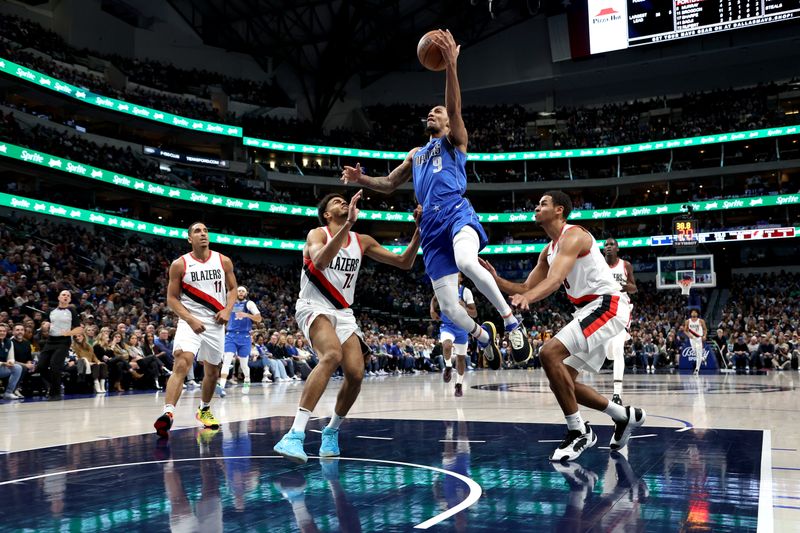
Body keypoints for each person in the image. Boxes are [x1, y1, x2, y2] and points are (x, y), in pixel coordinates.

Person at [340, 29, 531, 366]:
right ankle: (483, 337)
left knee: (467, 262)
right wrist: (361, 179)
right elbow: (387, 184)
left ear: (447, 122)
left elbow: (455, 108)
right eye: (430, 112)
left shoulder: (454, 141)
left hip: (457, 213)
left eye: (437, 111)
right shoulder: (416, 153)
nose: (432, 113)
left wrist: (451, 68)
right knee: (448, 308)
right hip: (429, 227)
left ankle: (511, 321)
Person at [480, 192, 646, 461]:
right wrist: (495, 279)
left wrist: (528, 298)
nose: (536, 206)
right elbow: (525, 287)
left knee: (548, 353)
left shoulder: (574, 235)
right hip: (589, 310)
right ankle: (624, 417)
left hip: (607, 305)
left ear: (559, 211)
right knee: (564, 382)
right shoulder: (549, 250)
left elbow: (554, 281)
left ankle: (578, 432)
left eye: (543, 203)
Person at [273, 191, 421, 463]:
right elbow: (319, 262)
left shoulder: (361, 241)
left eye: (345, 199)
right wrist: (348, 224)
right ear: (327, 214)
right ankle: (294, 434)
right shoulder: (317, 234)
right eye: (336, 202)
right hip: (313, 305)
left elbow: (404, 262)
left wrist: (419, 230)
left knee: (356, 374)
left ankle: (331, 431)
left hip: (343, 312)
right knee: (331, 355)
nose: (343, 201)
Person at [153, 222, 237, 439]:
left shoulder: (223, 260)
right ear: (190, 238)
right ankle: (168, 413)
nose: (203, 234)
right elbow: (171, 298)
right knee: (182, 361)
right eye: (197, 231)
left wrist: (228, 310)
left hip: (216, 321)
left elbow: (233, 289)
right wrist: (190, 319)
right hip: (189, 320)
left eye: (206, 230)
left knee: (212, 372)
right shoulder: (179, 264)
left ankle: (204, 409)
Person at [603, 237, 637, 402]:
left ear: (617, 249)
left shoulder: (625, 265)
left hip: (621, 311)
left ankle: (617, 393)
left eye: (611, 245)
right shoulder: (598, 267)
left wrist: (625, 287)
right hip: (603, 312)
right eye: (606, 245)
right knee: (609, 353)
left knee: (617, 349)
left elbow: (634, 288)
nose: (608, 247)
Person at [430, 273, 476, 397]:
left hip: (462, 328)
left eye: (457, 276)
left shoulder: (466, 292)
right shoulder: (444, 288)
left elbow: (474, 313)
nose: (454, 277)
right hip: (447, 326)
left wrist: (464, 307)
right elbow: (434, 299)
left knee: (461, 358)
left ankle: (459, 385)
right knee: (447, 346)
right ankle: (449, 366)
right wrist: (432, 310)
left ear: (461, 279)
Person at [37, 290, 84, 400]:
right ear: (59, 297)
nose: (65, 296)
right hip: (50, 341)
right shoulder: (50, 311)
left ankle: (55, 393)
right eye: (63, 295)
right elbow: (46, 324)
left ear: (70, 299)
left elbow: (79, 328)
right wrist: (45, 325)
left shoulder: (71, 311)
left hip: (63, 341)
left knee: (55, 366)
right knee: (41, 366)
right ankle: (57, 384)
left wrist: (68, 333)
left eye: (68, 295)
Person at [219, 286, 262, 394]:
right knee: (227, 360)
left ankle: (247, 379)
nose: (241, 292)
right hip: (231, 335)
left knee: (244, 364)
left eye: (243, 291)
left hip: (244, 337)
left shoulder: (249, 304)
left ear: (246, 293)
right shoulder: (230, 303)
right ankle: (222, 386)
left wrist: (246, 314)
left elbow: (259, 318)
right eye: (239, 291)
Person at [0, 324, 23, 400]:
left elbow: (11, 357)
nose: (2, 333)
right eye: (0, 331)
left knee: (17, 368)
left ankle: (8, 392)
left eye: (4, 331)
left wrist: (10, 362)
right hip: (1, 365)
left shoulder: (9, 342)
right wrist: (3, 363)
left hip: (2, 368)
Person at [685, 309, 707, 375]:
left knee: (699, 354)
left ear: (697, 314)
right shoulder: (687, 321)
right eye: (692, 312)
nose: (694, 313)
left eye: (695, 312)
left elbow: (705, 329)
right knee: (695, 352)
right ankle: (703, 358)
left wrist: (704, 336)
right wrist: (689, 335)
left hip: (699, 338)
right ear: (691, 313)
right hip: (692, 339)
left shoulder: (701, 321)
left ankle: (697, 369)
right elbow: (685, 330)